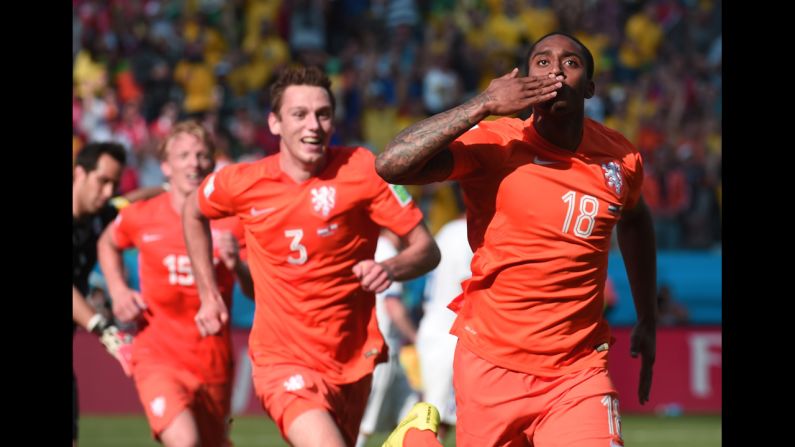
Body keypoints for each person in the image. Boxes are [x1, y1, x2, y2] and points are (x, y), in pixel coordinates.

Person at [377, 32, 657, 447]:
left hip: (578, 370)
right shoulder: (497, 141)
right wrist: (482, 105)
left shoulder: (621, 159)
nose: (556, 70)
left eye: (571, 63)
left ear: (590, 88)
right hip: (491, 364)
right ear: (525, 80)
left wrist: (647, 318)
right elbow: (391, 164)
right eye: (542, 62)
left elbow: (635, 221)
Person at [182, 66, 440, 447]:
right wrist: (208, 294)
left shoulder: (363, 170)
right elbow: (193, 209)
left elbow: (426, 249)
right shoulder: (245, 182)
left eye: (322, 113)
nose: (314, 125)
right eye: (299, 114)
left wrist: (389, 268)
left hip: (352, 361)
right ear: (275, 123)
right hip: (281, 360)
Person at [97, 121, 252, 447]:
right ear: (165, 165)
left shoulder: (233, 223)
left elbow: (255, 292)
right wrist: (118, 290)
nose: (193, 163)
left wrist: (237, 265)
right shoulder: (142, 215)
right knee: (184, 440)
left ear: (212, 162)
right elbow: (107, 242)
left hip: (213, 362)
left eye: (200, 155)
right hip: (158, 355)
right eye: (182, 155)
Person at [72, 141, 161, 446]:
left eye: (114, 183)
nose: (108, 191)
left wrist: (174, 184)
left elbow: (133, 200)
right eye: (102, 181)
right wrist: (105, 330)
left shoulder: (102, 215)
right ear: (79, 174)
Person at [356, 230, 420, 447]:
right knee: (365, 423)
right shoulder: (389, 251)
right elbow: (392, 305)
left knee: (412, 413)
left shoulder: (374, 246)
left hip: (382, 347)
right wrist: (416, 338)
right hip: (381, 349)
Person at [416, 204, 472, 442]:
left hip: (438, 330)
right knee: (433, 419)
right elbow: (468, 286)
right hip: (446, 335)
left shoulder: (448, 230)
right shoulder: (463, 234)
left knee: (444, 418)